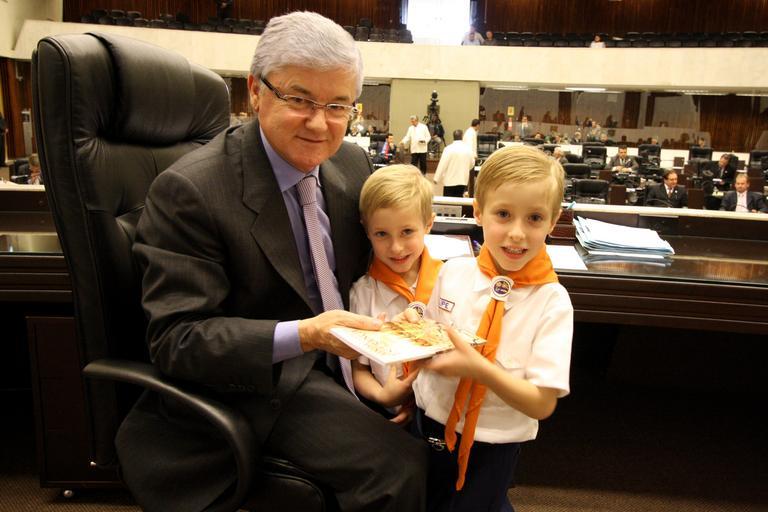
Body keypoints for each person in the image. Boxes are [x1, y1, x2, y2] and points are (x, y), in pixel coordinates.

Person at [116, 12, 428, 512]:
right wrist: (306, 335)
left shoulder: (350, 163)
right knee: (402, 466)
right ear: (255, 92)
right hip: (260, 383)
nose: (320, 123)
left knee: (443, 425)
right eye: (299, 99)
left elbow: (378, 262)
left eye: (337, 105)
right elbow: (178, 339)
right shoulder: (191, 190)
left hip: (348, 363)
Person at [411, 144, 573, 512]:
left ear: (553, 221)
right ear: (478, 211)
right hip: (430, 420)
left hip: (493, 442)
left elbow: (542, 403)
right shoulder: (452, 272)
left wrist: (481, 370)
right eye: (503, 214)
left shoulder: (552, 302)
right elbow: (430, 338)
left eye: (534, 218)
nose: (517, 233)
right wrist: (410, 328)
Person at [351, 165, 441, 420]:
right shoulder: (362, 294)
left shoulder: (449, 283)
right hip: (387, 417)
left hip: (443, 416)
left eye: (407, 232)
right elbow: (358, 368)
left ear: (428, 223)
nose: (396, 247)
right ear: (366, 230)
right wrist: (384, 397)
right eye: (382, 234)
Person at [434, 129, 476, 198]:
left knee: (448, 201)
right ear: (462, 137)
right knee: (459, 199)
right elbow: (472, 163)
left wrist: (437, 178)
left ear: (453, 137)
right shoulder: (468, 149)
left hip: (449, 181)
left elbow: (442, 164)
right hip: (462, 180)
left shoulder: (448, 149)